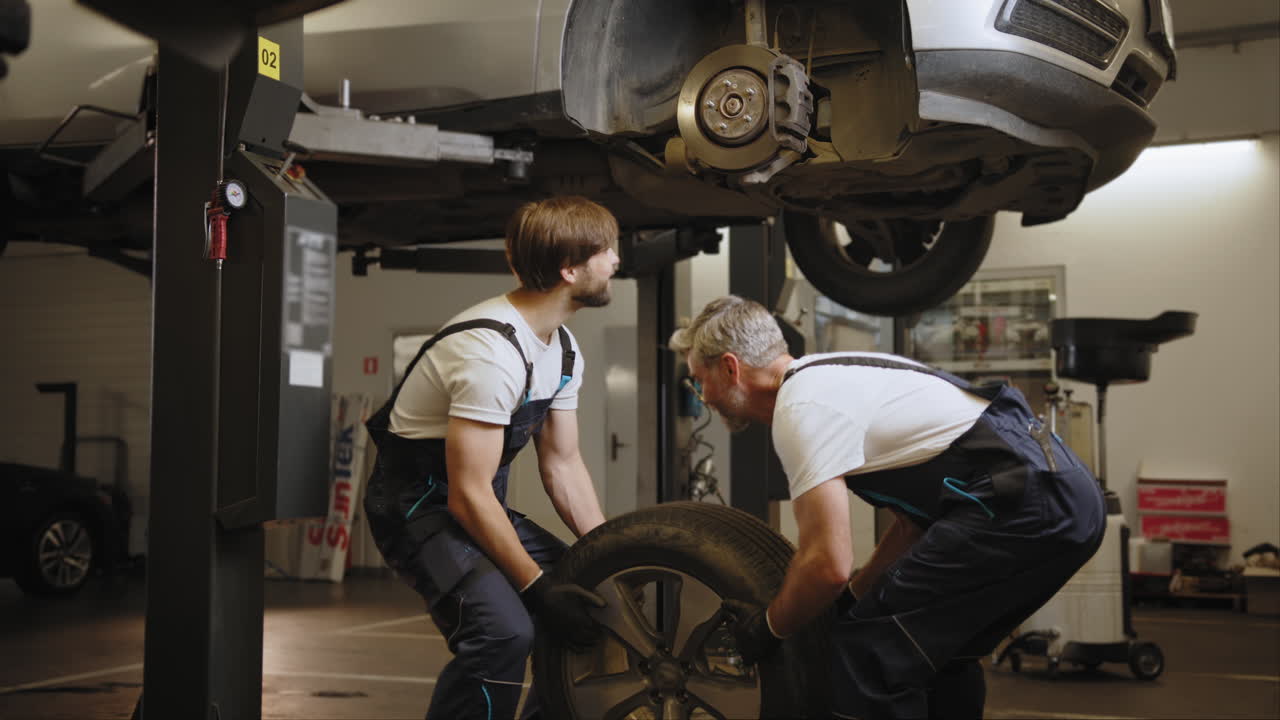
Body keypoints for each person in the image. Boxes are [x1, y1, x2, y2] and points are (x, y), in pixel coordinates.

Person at [669, 295, 1105, 720]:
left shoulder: (802, 409)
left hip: (1024, 503)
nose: (702, 397)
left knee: (869, 655)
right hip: (1059, 496)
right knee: (937, 655)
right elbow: (913, 527)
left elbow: (827, 565)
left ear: (730, 367)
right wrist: (854, 600)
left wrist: (768, 627)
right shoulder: (830, 376)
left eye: (699, 379)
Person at [363, 196, 619, 720]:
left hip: (475, 502)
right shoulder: (490, 351)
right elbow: (468, 493)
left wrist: (611, 558)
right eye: (607, 250)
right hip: (418, 512)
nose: (617, 259)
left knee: (594, 603)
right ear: (570, 270)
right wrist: (537, 586)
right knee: (503, 632)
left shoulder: (563, 349)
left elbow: (563, 466)